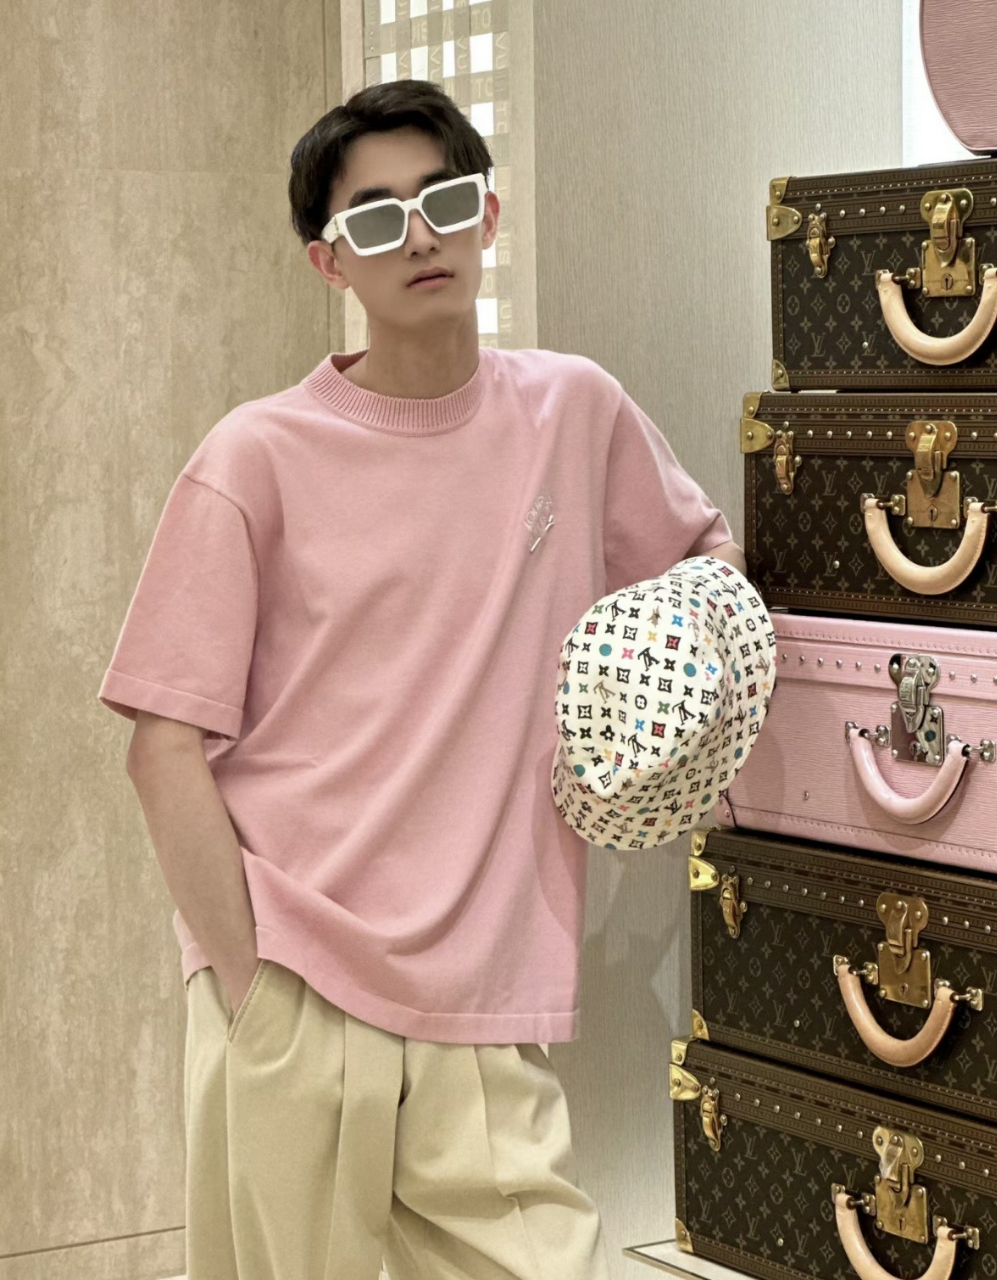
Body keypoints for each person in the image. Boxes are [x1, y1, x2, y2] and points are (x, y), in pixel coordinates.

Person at [98, 79, 744, 1280]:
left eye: (444, 201)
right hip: (296, 979)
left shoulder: (573, 411)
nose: (420, 236)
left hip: (487, 1003)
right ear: (329, 261)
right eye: (377, 216)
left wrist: (637, 733)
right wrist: (249, 985)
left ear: (488, 214)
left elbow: (708, 572)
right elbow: (162, 744)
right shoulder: (254, 457)